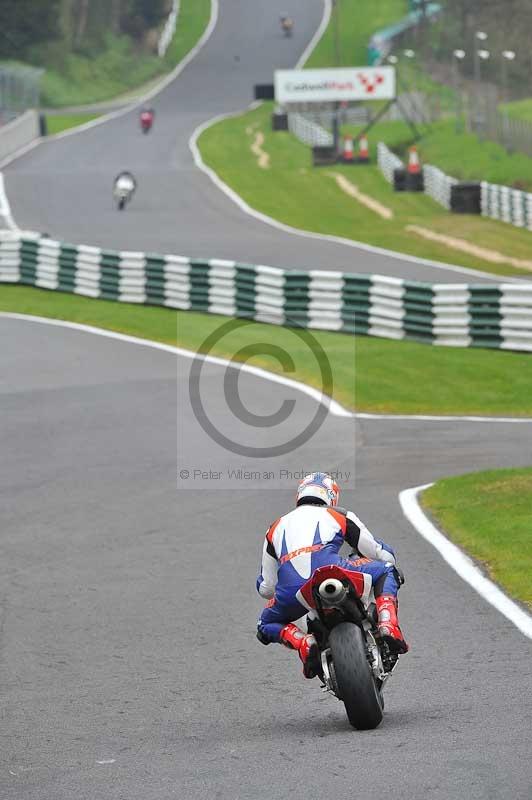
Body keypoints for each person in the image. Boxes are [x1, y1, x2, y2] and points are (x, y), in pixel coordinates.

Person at [256, 472, 408, 678]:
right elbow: (378, 553)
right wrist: (385, 553)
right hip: (334, 570)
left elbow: (267, 588)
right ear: (331, 496)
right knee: (387, 569)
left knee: (264, 624)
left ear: (299, 495)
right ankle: (388, 624)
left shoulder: (273, 528)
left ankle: (302, 641)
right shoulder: (339, 514)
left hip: (295, 591)